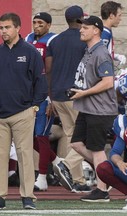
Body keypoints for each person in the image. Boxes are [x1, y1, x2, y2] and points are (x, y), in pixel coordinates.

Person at [0, 13, 48, 209]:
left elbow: (40, 82)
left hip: (23, 113)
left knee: (25, 155)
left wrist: (35, 107)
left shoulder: (31, 53)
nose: (4, 31)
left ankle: (28, 197)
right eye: (1, 27)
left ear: (18, 28)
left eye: (8, 27)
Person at [65, 15, 118, 202]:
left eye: (85, 27)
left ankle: (102, 190)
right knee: (76, 144)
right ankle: (106, 169)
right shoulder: (89, 51)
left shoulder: (101, 52)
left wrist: (84, 92)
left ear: (96, 30)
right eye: (81, 27)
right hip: (88, 108)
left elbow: (108, 82)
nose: (81, 29)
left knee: (97, 150)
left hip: (100, 109)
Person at [46, 5, 91, 193]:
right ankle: (65, 165)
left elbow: (48, 69)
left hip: (57, 94)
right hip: (76, 95)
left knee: (73, 136)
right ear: (81, 19)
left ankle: (78, 179)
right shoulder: (84, 39)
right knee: (87, 136)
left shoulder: (54, 41)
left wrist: (50, 95)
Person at [25, 12, 62, 191]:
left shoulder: (53, 40)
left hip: (44, 95)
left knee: (41, 135)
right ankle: (57, 161)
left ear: (48, 25)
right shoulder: (28, 38)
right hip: (29, 95)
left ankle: (42, 177)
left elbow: (51, 71)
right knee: (29, 137)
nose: (36, 25)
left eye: (40, 22)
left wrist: (50, 98)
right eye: (34, 22)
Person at [101, 1, 126, 66]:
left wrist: (115, 56)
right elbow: (100, 56)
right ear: (111, 16)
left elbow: (105, 51)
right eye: (119, 15)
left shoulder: (106, 31)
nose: (120, 19)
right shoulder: (104, 34)